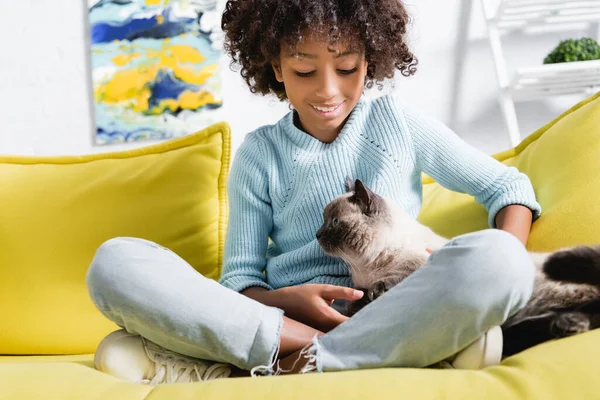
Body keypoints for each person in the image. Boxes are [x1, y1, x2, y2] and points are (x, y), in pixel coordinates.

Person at [86, 0, 542, 385]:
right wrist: (288, 302)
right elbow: (238, 284)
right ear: (276, 67)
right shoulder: (260, 153)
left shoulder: (397, 123)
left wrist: (504, 256)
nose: (328, 90)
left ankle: (258, 365)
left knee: (499, 258)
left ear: (369, 60)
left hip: (399, 305)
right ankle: (325, 352)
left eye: (346, 68)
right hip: (285, 325)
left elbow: (508, 188)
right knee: (115, 263)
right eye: (305, 70)